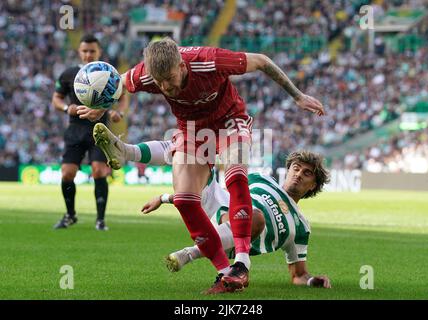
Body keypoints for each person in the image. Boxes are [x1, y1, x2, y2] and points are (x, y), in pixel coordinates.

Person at [78, 38, 325, 290]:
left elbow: (262, 61)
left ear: (183, 67)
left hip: (230, 121)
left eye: (170, 78)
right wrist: (102, 104)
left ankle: (241, 262)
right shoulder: (146, 75)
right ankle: (226, 272)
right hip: (193, 130)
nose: (165, 86)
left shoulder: (209, 61)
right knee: (186, 200)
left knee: (236, 175)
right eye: (158, 81)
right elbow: (117, 82)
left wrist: (297, 95)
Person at [141, 150, 332, 293]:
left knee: (255, 217)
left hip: (238, 240)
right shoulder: (261, 179)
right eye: (296, 168)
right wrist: (164, 198)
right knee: (196, 159)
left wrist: (311, 280)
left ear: (313, 185)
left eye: (307, 173)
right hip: (222, 211)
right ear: (288, 169)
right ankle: (128, 149)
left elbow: (298, 275)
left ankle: (189, 254)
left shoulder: (301, 227)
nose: (298, 174)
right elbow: (223, 194)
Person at [52, 34, 127, 231]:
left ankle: (100, 220)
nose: (88, 55)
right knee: (67, 173)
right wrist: (65, 108)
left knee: (99, 171)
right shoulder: (68, 74)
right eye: (85, 51)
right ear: (79, 52)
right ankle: (70, 215)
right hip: (75, 128)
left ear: (99, 52)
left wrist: (119, 112)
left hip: (99, 130)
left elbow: (123, 96)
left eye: (92, 51)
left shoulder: (108, 73)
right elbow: (56, 99)